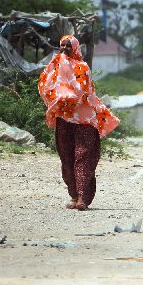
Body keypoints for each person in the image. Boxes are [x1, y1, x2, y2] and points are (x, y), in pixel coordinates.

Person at [38, 35, 119, 211]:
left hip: (84, 118)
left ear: (75, 48)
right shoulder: (55, 65)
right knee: (66, 157)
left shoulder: (83, 67)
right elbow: (45, 84)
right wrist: (57, 98)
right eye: (62, 46)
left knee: (83, 156)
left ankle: (83, 197)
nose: (65, 49)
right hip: (64, 117)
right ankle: (74, 196)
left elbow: (83, 90)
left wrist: (68, 95)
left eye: (68, 46)